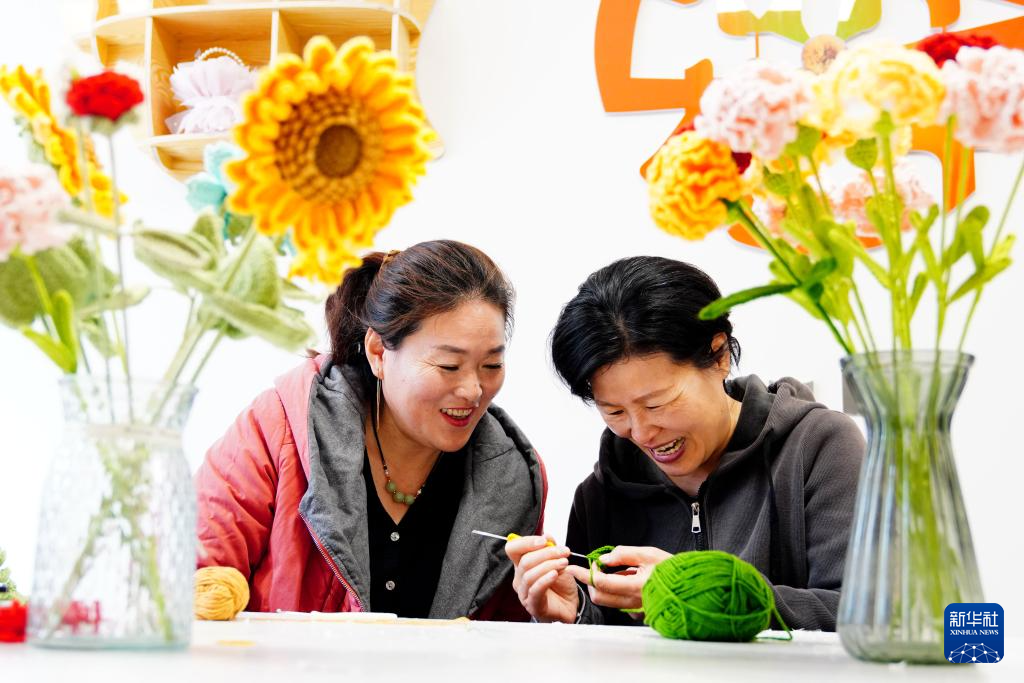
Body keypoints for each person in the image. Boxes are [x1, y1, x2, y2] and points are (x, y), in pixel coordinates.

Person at [506, 256, 864, 630]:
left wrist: (696, 592)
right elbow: (607, 635)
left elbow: (866, 615)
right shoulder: (600, 496)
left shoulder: (819, 448)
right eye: (614, 411)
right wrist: (573, 612)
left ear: (719, 356)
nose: (641, 433)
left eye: (656, 404)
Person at [195, 240, 547, 620]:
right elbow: (184, 584)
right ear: (379, 352)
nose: (473, 390)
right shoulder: (278, 431)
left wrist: (555, 609)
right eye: (449, 366)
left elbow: (506, 635)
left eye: (491, 366)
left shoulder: (512, 481)